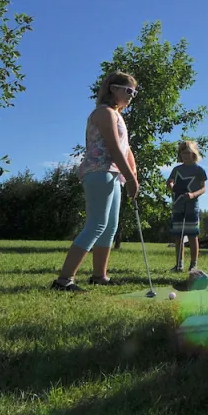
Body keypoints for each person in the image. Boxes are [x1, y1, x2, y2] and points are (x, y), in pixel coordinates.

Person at [51, 71, 140, 292]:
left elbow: (126, 150)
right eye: (128, 91)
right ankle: (64, 280)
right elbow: (112, 146)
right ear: (113, 89)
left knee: (110, 227)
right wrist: (129, 177)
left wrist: (132, 175)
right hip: (99, 172)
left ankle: (99, 276)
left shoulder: (118, 116)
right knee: (97, 224)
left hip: (113, 174)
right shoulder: (103, 113)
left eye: (134, 93)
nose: (131, 96)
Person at [166, 140, 207, 273]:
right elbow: (170, 181)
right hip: (178, 206)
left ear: (194, 153)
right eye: (183, 153)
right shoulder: (177, 169)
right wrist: (171, 186)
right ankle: (179, 264)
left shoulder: (199, 170)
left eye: (188, 153)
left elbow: (203, 188)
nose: (186, 156)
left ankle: (193, 265)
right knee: (178, 236)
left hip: (191, 207)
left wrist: (193, 195)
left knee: (192, 235)